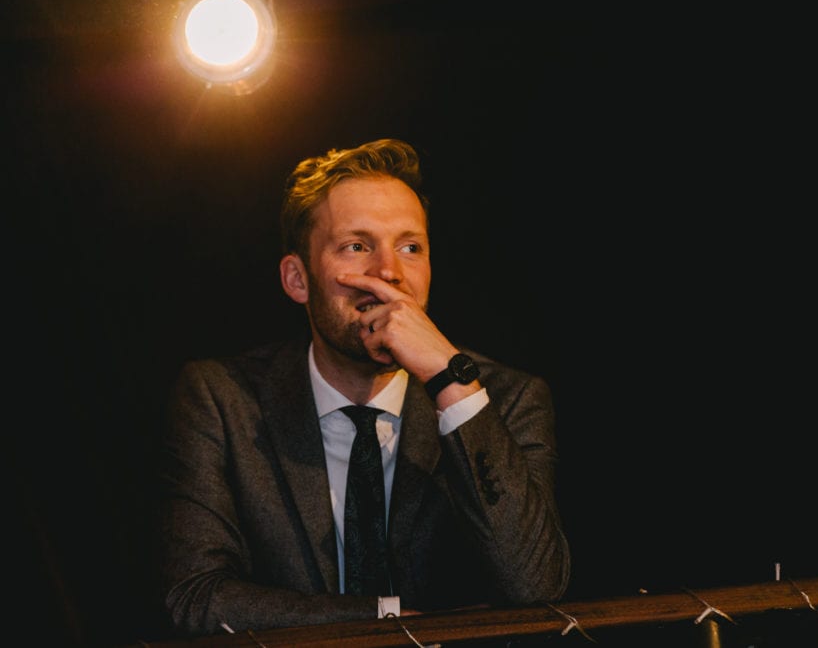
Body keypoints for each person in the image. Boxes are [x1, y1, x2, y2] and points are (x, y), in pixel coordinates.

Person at [158, 138, 571, 638]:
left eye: (410, 247)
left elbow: (535, 589)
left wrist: (449, 379)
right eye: (357, 246)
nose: (389, 273)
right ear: (297, 279)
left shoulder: (505, 399)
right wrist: (381, 621)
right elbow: (197, 596)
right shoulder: (221, 398)